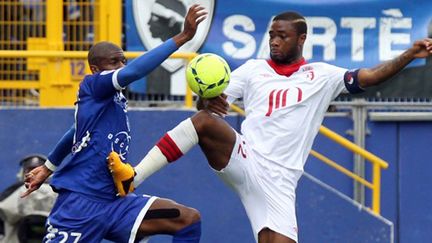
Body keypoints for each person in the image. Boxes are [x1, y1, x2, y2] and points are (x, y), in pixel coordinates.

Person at [107, 11, 432, 243]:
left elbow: (372, 78)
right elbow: (206, 105)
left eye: (282, 36)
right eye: (272, 35)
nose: (274, 41)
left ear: (301, 38)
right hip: (246, 158)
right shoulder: (252, 70)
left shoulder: (323, 76)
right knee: (203, 123)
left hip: (281, 182)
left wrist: (410, 54)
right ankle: (134, 176)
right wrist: (206, 103)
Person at [21, 4, 207, 243]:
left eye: (122, 61)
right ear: (95, 69)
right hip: (80, 205)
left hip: (116, 202)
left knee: (188, 220)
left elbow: (75, 132)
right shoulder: (93, 84)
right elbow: (133, 73)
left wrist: (48, 167)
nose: (121, 67)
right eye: (114, 62)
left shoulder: (112, 98)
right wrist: (182, 37)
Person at [0, 154, 56, 243]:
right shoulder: (59, 193)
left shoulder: (13, 192)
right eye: (30, 170)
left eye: (37, 171)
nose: (33, 174)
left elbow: (8, 213)